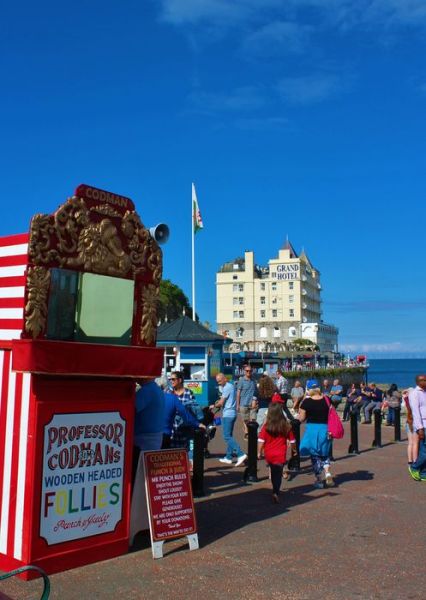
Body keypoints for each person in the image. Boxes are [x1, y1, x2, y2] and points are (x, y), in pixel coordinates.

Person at [257, 401, 296, 503]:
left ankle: (274, 489)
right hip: (280, 454)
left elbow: (261, 441)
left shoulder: (266, 427)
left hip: (269, 453)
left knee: (274, 471)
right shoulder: (286, 426)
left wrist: (259, 452)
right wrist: (294, 450)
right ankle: (276, 491)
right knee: (277, 474)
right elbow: (292, 441)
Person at [298, 383, 334, 488]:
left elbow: (302, 418)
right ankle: (327, 473)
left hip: (312, 430)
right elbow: (332, 413)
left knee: (314, 455)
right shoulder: (327, 399)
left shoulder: (307, 402)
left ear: (309, 390)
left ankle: (319, 480)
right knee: (324, 452)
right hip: (326, 429)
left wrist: (296, 418)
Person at [213, 373, 247, 466]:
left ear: (225, 378)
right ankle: (228, 457)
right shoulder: (229, 386)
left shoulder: (227, 387)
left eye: (220, 381)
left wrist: (214, 405)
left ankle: (240, 454)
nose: (219, 383)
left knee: (226, 436)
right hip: (231, 413)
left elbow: (221, 402)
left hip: (228, 414)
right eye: (217, 382)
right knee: (230, 436)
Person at [169, 370, 202, 458]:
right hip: (172, 428)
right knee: (173, 452)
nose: (171, 381)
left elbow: (194, 409)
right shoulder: (168, 392)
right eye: (170, 379)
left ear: (180, 380)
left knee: (188, 449)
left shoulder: (188, 393)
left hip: (186, 427)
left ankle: (189, 466)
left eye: (173, 379)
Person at [408, 375, 426, 481]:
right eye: (423, 380)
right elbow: (415, 412)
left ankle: (423, 473)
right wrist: (420, 428)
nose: (425, 381)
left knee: (423, 450)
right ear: (418, 382)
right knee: (424, 451)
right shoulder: (415, 393)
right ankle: (414, 467)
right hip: (422, 425)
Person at [236, 364, 257, 439]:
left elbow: (256, 392)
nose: (249, 372)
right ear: (244, 371)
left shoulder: (254, 381)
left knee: (253, 419)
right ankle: (246, 432)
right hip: (243, 404)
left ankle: (249, 432)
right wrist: (237, 405)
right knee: (246, 420)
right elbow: (238, 393)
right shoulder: (241, 380)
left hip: (252, 404)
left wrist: (256, 400)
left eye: (250, 371)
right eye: (247, 371)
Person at [403, 389, 419, 469]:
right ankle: (415, 461)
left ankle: (410, 460)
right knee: (416, 443)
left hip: (408, 421)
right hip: (414, 422)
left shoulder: (407, 401)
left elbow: (404, 394)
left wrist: (407, 392)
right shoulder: (415, 402)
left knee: (410, 443)